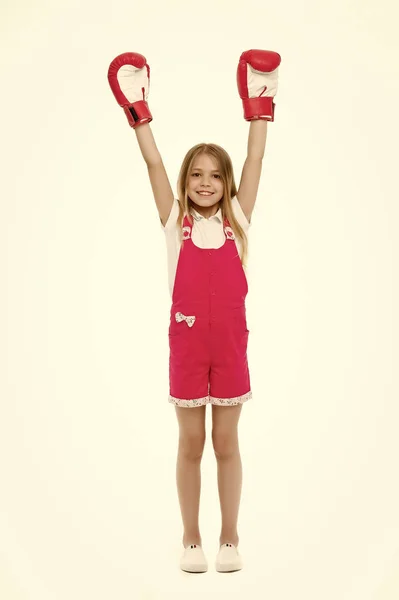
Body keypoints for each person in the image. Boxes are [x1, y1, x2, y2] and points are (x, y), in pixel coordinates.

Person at [107, 49, 281, 573]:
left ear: (226, 184)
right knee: (190, 442)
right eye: (196, 175)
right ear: (186, 182)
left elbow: (255, 160)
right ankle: (190, 538)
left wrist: (259, 106)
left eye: (214, 175)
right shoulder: (173, 225)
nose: (205, 182)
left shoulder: (239, 223)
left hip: (230, 348)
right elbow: (153, 162)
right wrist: (138, 107)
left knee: (226, 442)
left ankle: (229, 538)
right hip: (186, 349)